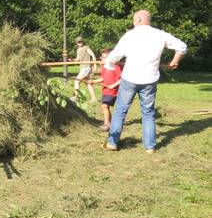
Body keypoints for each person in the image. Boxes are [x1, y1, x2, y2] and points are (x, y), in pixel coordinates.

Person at [104, 10, 187, 153]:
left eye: (134, 19)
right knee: (148, 113)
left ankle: (112, 142)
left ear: (139, 19)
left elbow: (115, 55)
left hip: (129, 79)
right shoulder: (160, 35)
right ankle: (150, 147)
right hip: (149, 80)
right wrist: (175, 61)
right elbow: (182, 47)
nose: (133, 22)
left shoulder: (130, 35)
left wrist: (108, 63)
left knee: (120, 111)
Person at [87, 48, 122, 131]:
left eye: (104, 57)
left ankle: (108, 123)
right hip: (106, 90)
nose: (102, 59)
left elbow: (122, 79)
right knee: (105, 107)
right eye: (102, 57)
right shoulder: (104, 67)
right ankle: (108, 123)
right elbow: (102, 78)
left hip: (113, 91)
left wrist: (113, 85)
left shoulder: (116, 67)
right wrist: (93, 81)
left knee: (105, 106)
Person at [73, 36, 98, 103]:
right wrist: (72, 60)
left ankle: (76, 97)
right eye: (78, 42)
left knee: (76, 81)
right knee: (88, 83)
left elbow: (93, 55)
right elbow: (78, 59)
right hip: (83, 68)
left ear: (83, 41)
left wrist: (95, 65)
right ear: (76, 43)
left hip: (86, 68)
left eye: (81, 41)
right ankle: (94, 98)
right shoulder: (78, 50)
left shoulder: (86, 48)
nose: (80, 43)